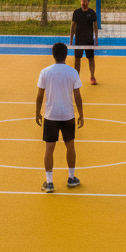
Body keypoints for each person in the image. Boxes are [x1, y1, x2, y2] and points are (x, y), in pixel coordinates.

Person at [35, 42, 84, 193]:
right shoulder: (72, 72)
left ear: (53, 55)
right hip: (67, 115)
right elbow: (77, 96)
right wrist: (81, 114)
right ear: (66, 55)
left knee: (49, 148)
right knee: (70, 146)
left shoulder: (45, 72)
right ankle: (71, 178)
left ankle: (49, 183)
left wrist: (37, 113)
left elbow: (39, 96)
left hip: (51, 115)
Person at [70, 0, 98, 84]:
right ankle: (76, 77)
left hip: (89, 39)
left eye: (85, 1)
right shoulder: (76, 13)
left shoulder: (92, 13)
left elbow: (95, 26)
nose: (83, 2)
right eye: (82, 1)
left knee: (91, 58)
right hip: (79, 40)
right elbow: (72, 26)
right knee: (77, 58)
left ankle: (92, 77)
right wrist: (71, 40)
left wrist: (96, 40)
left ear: (88, 2)